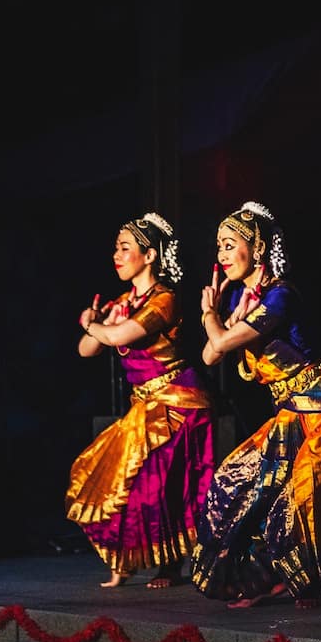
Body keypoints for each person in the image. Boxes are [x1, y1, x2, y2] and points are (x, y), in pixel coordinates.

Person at [191, 201, 321, 609]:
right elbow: (210, 357)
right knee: (234, 483)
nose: (222, 255)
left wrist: (208, 316)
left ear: (259, 247)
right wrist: (223, 318)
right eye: (219, 246)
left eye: (230, 245)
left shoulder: (281, 296)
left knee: (296, 501)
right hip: (290, 412)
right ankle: (255, 580)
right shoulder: (244, 299)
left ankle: (298, 582)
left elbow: (217, 344)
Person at [68, 213, 215, 589]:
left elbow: (124, 333)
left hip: (178, 403)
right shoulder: (121, 302)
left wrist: (95, 324)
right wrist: (97, 324)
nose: (116, 255)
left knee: (161, 488)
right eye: (116, 248)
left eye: (125, 248)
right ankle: (126, 561)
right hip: (144, 406)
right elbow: (87, 349)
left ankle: (170, 565)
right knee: (111, 478)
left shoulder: (164, 299)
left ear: (149, 255)